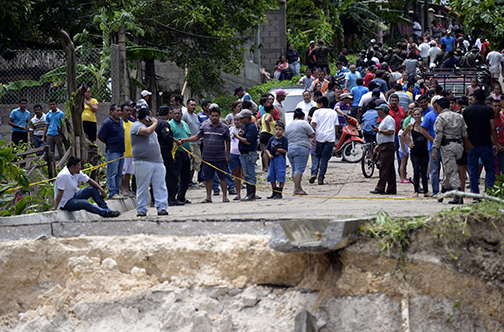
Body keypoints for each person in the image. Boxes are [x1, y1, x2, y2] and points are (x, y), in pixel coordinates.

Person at [182, 104, 231, 203]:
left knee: (222, 177)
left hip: (220, 157)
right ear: (209, 116)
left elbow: (228, 142)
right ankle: (208, 197)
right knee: (208, 178)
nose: (214, 118)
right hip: (207, 157)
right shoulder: (204, 126)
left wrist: (227, 156)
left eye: (216, 116)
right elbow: (196, 137)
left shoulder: (224, 127)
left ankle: (225, 196)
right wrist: (184, 140)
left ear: (219, 116)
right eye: (212, 116)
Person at [52, 156, 120, 217]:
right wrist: (56, 207)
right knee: (85, 203)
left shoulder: (76, 172)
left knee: (91, 189)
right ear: (72, 167)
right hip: (65, 203)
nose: (80, 167)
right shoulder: (64, 175)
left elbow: (89, 180)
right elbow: (60, 192)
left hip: (73, 195)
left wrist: (102, 190)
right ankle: (106, 213)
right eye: (78, 165)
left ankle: (107, 210)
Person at [130, 108, 168, 216]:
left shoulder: (150, 127)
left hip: (157, 161)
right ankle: (141, 208)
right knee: (143, 186)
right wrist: (155, 123)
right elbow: (147, 132)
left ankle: (162, 207)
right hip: (142, 161)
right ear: (146, 116)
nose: (152, 118)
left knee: (160, 185)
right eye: (150, 116)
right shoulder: (136, 125)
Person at [464, 89, 501, 194]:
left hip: (471, 144)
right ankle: (488, 192)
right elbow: (493, 127)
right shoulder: (488, 110)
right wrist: (496, 143)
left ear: (474, 98)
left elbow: (464, 128)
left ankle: (475, 194)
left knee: (473, 170)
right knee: (490, 168)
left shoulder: (467, 110)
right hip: (485, 143)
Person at [431, 97, 467, 204]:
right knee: (450, 169)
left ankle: (458, 196)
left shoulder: (440, 118)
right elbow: (465, 133)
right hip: (459, 146)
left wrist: (434, 150)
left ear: (440, 106)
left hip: (448, 147)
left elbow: (438, 135)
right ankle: (443, 192)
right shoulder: (459, 116)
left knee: (451, 171)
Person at [155, 106, 183, 206]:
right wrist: (175, 140)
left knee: (157, 176)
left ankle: (155, 199)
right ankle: (171, 198)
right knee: (171, 175)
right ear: (168, 114)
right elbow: (166, 136)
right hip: (165, 152)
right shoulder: (164, 123)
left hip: (156, 152)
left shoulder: (154, 122)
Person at [309, 96, 339, 185]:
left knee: (317, 155)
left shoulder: (317, 112)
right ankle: (321, 177)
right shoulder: (333, 112)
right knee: (325, 158)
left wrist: (312, 136)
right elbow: (336, 126)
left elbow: (313, 124)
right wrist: (334, 136)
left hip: (319, 137)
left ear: (321, 104)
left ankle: (314, 172)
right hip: (330, 137)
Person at [97, 104, 125, 199]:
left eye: (120, 111)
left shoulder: (120, 121)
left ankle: (117, 191)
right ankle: (112, 192)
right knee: (112, 172)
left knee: (119, 172)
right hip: (113, 151)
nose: (119, 113)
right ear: (111, 112)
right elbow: (100, 136)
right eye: (117, 111)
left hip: (121, 150)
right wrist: (109, 142)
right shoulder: (107, 122)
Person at [285, 109, 315, 195]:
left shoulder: (288, 125)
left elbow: (285, 136)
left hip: (290, 147)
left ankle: (298, 187)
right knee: (299, 169)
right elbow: (312, 134)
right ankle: (297, 188)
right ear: (302, 117)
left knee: (294, 169)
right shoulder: (303, 123)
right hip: (301, 147)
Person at [402, 108, 429, 197]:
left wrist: (429, 141)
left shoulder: (425, 125)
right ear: (412, 116)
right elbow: (402, 135)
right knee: (416, 170)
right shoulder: (411, 125)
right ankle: (416, 191)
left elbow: (430, 134)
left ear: (421, 115)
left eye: (418, 114)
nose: (417, 116)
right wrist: (409, 144)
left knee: (424, 171)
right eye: (415, 114)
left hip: (424, 150)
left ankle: (426, 191)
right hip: (415, 150)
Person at [370, 104, 397, 195]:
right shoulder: (384, 120)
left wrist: (379, 131)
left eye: (379, 110)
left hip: (387, 146)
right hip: (384, 145)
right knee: (389, 168)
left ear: (383, 110)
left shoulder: (388, 119)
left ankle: (380, 187)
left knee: (384, 167)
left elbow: (391, 131)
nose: (378, 112)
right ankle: (391, 188)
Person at [233, 109, 258, 201]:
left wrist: (238, 137)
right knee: (247, 173)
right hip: (244, 153)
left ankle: (251, 194)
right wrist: (241, 134)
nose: (240, 120)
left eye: (242, 118)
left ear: (247, 118)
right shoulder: (246, 126)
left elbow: (248, 141)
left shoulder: (251, 127)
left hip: (249, 153)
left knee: (249, 173)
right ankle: (249, 193)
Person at [169, 106, 192, 204]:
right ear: (172, 114)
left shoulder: (184, 124)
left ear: (182, 114)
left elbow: (188, 136)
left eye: (179, 113)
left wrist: (190, 151)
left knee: (186, 176)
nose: (177, 115)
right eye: (175, 113)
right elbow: (169, 138)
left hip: (185, 153)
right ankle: (172, 197)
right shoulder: (170, 124)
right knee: (175, 175)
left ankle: (181, 196)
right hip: (176, 153)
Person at [421, 95, 442, 196]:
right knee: (434, 170)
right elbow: (423, 130)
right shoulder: (429, 116)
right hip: (433, 147)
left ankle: (447, 189)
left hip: (445, 146)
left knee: (448, 169)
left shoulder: (444, 115)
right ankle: (435, 190)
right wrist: (433, 140)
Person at [182, 98, 202, 186]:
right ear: (187, 105)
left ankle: (191, 181)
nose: (193, 107)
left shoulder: (195, 116)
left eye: (194, 105)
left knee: (196, 162)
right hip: (188, 142)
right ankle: (187, 181)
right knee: (189, 162)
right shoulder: (184, 115)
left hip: (197, 142)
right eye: (191, 105)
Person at [266, 122, 288, 199]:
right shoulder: (272, 138)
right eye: (277, 129)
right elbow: (267, 149)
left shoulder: (284, 139)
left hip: (280, 158)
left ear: (283, 131)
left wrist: (277, 150)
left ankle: (280, 192)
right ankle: (274, 191)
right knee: (271, 175)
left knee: (280, 175)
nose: (278, 131)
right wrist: (269, 155)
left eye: (280, 129)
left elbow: (285, 150)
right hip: (272, 158)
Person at [119, 102, 134, 197]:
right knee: (122, 172)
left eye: (130, 111)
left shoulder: (132, 124)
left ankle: (128, 189)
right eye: (126, 111)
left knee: (129, 173)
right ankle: (122, 189)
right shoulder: (119, 122)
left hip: (131, 151)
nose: (128, 112)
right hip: (123, 152)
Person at [229, 114, 244, 200]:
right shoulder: (231, 129)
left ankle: (251, 192)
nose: (237, 122)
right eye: (235, 120)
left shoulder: (245, 129)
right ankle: (238, 193)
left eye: (238, 120)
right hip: (233, 153)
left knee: (245, 173)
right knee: (236, 174)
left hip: (243, 153)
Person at [260, 104, 276, 172]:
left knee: (265, 151)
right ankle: (269, 166)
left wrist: (261, 128)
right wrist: (269, 128)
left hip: (263, 133)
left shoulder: (263, 115)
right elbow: (266, 120)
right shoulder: (269, 115)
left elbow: (258, 121)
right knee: (270, 150)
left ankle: (266, 167)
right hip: (268, 134)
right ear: (271, 110)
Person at [492, 99, 504, 175]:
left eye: (499, 106)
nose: (497, 108)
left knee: (502, 168)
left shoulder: (502, 117)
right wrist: (497, 145)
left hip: (502, 146)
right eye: (495, 106)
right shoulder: (490, 118)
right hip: (494, 146)